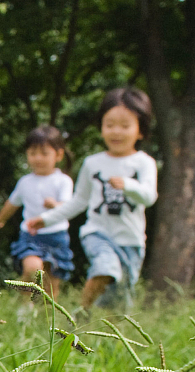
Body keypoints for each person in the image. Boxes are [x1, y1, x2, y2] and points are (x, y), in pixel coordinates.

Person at [25, 86, 156, 310]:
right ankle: (82, 311)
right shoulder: (92, 163)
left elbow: (149, 197)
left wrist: (129, 185)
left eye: (125, 126)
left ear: (140, 130)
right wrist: (47, 219)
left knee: (120, 300)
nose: (116, 131)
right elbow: (78, 202)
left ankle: (99, 322)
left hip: (131, 240)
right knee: (106, 268)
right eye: (110, 125)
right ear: (101, 127)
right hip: (98, 234)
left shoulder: (143, 162)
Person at [0, 124, 74, 299]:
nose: (38, 158)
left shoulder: (63, 181)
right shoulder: (25, 182)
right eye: (32, 153)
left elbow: (68, 207)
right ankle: (24, 310)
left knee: (52, 282)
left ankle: (47, 319)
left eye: (44, 153)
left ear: (58, 155)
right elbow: (12, 203)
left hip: (57, 236)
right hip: (31, 235)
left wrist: (55, 205)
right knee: (32, 268)